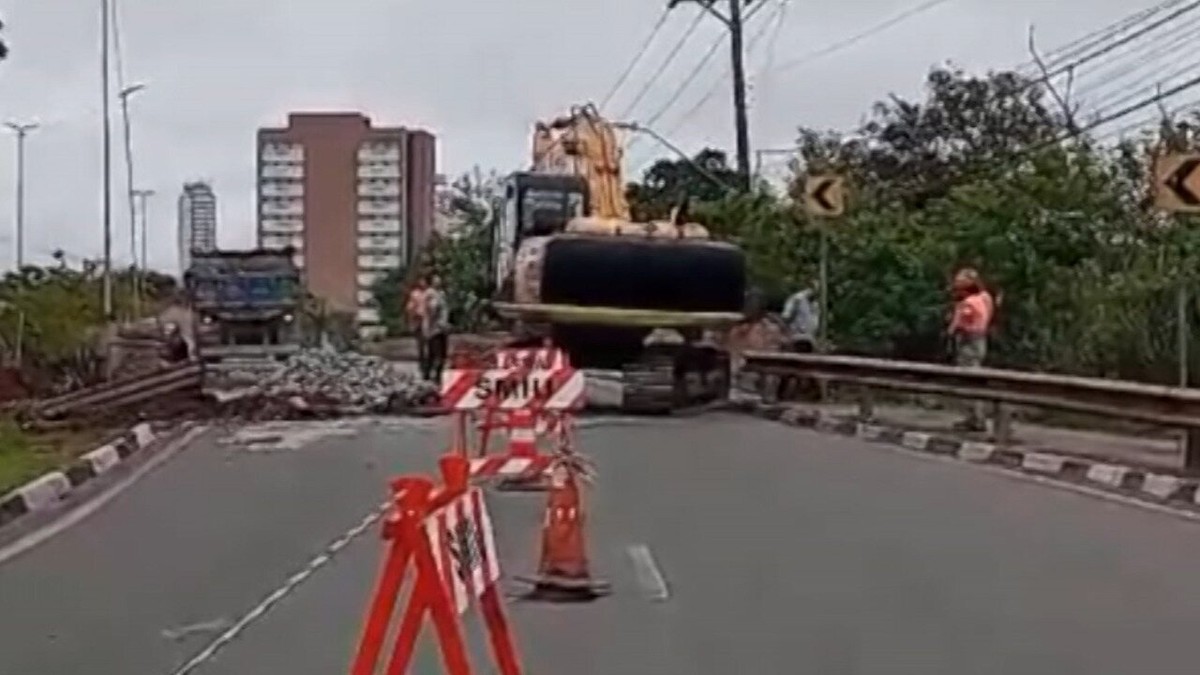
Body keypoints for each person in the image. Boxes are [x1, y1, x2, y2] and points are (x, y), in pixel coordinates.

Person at [948, 267, 995, 431]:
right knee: (974, 378)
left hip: (968, 340)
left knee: (968, 379)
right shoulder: (985, 297)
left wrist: (955, 327)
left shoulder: (969, 302)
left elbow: (965, 320)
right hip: (981, 339)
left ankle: (975, 418)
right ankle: (975, 416)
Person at [778, 281, 821, 400]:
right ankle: (782, 394)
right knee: (792, 367)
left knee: (805, 367)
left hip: (809, 339)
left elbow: (813, 324)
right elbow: (786, 318)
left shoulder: (815, 304)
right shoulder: (797, 300)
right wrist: (786, 335)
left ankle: (804, 394)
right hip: (796, 338)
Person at [422, 274, 451, 382]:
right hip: (434, 329)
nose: (438, 281)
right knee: (434, 355)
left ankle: (437, 377)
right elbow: (430, 310)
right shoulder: (430, 293)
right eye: (436, 280)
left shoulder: (441, 293)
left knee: (442, 356)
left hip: (442, 329)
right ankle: (428, 377)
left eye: (439, 279)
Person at [406, 277, 428, 376]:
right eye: (421, 281)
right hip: (419, 319)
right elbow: (410, 308)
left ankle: (426, 362)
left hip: (429, 320)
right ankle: (423, 363)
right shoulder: (415, 294)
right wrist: (412, 320)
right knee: (421, 343)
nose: (422, 283)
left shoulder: (429, 293)